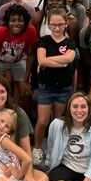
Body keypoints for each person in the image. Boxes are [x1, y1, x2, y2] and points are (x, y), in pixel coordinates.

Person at [32, 8, 78, 161]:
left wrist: (50, 61)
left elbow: (70, 59)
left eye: (60, 24)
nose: (57, 28)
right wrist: (60, 62)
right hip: (46, 87)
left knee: (58, 121)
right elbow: (41, 60)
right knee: (43, 121)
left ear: (66, 24)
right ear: (48, 25)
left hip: (63, 88)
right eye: (53, 24)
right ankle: (37, 148)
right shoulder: (43, 41)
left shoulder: (70, 42)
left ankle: (53, 149)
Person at [0, 4, 37, 105]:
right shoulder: (0, 31)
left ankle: (22, 115)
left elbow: (31, 54)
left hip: (18, 61)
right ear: (7, 21)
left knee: (26, 91)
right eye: (13, 20)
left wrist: (26, 79)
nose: (16, 24)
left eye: (20, 21)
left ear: (25, 22)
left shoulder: (30, 30)